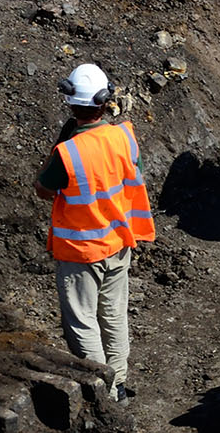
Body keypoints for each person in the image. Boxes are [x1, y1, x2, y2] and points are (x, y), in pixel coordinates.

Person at [33, 64, 154, 398]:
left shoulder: (68, 152)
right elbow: (134, 172)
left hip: (81, 253)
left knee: (82, 321)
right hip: (119, 243)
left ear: (71, 104)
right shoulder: (124, 137)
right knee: (114, 314)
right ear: (105, 101)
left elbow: (43, 189)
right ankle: (120, 382)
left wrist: (57, 150)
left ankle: (103, 392)